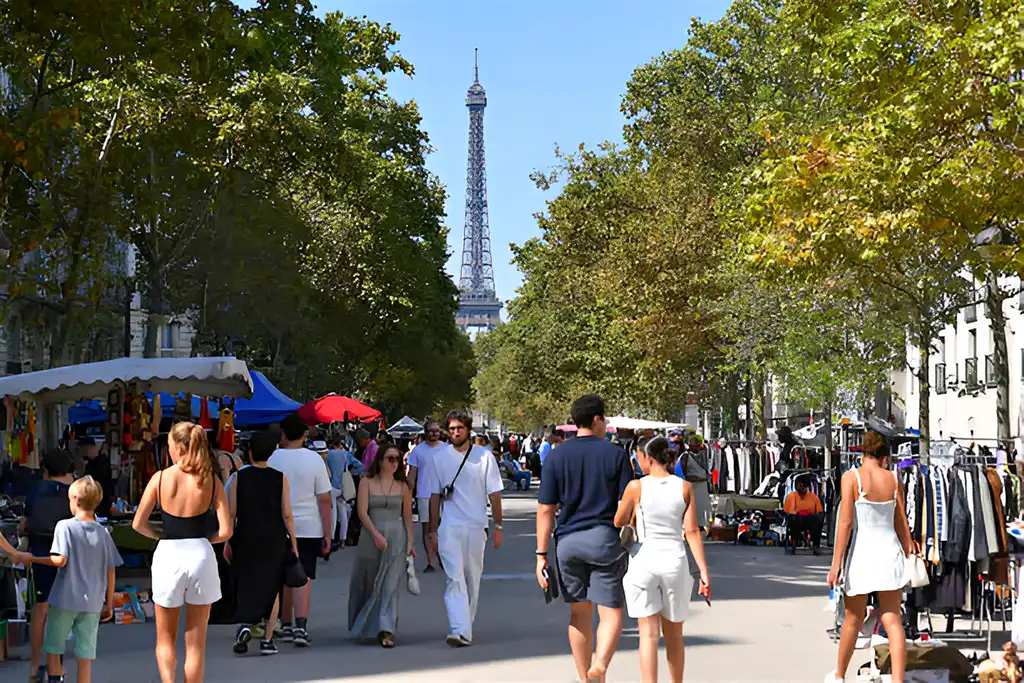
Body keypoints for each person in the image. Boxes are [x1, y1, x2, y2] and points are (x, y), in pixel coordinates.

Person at [536, 394, 633, 683]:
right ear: (596, 419)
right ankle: (599, 667)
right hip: (604, 539)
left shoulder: (556, 456)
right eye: (605, 419)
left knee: (578, 614)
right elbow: (626, 504)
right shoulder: (616, 455)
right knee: (610, 611)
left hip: (568, 542)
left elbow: (545, 509)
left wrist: (541, 555)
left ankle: (583, 676)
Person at [132, 422, 232, 683]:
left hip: (169, 554)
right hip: (200, 553)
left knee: (165, 638)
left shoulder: (160, 478)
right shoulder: (211, 480)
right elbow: (226, 531)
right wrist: (206, 539)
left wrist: (159, 536)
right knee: (196, 642)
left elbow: (138, 524)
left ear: (177, 447)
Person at [614, 436, 711, 683]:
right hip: (674, 561)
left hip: (644, 560)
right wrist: (703, 571)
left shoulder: (636, 487)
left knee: (648, 636)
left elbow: (618, 521)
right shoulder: (684, 487)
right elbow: (691, 531)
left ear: (647, 458)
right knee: (674, 634)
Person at [826, 431, 912, 683]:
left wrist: (836, 564)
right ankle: (898, 680)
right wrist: (908, 550)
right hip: (889, 551)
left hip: (863, 553)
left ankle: (839, 675)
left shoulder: (851, 478)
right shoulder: (893, 479)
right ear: (884, 455)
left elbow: (845, 523)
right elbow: (900, 521)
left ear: (862, 452)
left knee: (852, 618)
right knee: (893, 619)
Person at [25, 476, 122, 683]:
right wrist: (109, 603)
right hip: (93, 602)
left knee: (54, 646)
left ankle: (55, 678)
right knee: (85, 652)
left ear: (75, 500)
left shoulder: (65, 527)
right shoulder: (103, 532)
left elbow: (59, 560)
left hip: (65, 599)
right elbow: (111, 569)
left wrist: (30, 558)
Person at [427, 408, 504, 647]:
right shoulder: (439, 458)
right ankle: (459, 629)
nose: (455, 432)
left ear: (468, 430)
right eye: (451, 429)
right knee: (454, 577)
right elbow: (434, 496)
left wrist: (499, 526)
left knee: (472, 579)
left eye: (459, 428)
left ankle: (465, 626)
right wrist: (432, 530)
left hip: (476, 525)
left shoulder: (484, 456)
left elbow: (494, 493)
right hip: (450, 526)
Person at [226, 429, 297, 656]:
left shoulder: (238, 477)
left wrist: (227, 540)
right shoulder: (280, 478)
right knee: (272, 587)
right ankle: (267, 639)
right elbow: (287, 514)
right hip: (274, 537)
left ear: (249, 452)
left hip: (246, 535)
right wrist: (294, 542)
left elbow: (231, 513)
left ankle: (245, 623)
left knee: (246, 581)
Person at [267, 413, 332, 647]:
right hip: (309, 526)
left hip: (278, 526)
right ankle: (301, 626)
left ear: (283, 434)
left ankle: (284, 623)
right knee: (304, 575)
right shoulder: (315, 460)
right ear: (304, 435)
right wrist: (328, 532)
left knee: (284, 577)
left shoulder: (272, 458)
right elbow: (324, 499)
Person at [348, 443, 415, 647]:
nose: (395, 463)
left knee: (390, 585)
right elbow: (362, 512)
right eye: (390, 459)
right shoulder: (366, 482)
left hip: (396, 538)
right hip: (371, 538)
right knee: (368, 582)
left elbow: (407, 517)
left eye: (398, 459)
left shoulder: (403, 486)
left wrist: (410, 543)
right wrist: (376, 535)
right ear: (380, 461)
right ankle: (367, 624)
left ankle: (386, 629)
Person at [21, 448, 75, 682]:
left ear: (46, 469)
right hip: (67, 553)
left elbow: (25, 522)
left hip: (40, 552)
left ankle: (34, 666)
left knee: (40, 610)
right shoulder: (73, 491)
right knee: (61, 610)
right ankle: (56, 666)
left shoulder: (35, 490)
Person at [407, 420, 445, 572]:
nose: (434, 433)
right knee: (427, 528)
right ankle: (431, 561)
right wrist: (407, 493)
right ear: (425, 432)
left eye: (437, 431)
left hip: (443, 494)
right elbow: (412, 474)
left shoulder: (447, 449)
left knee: (443, 528)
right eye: (431, 431)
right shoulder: (418, 451)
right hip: (424, 493)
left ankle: (443, 557)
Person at [325, 435, 363, 549]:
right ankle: (343, 539)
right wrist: (351, 472)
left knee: (333, 514)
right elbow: (360, 466)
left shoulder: (328, 454)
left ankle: (331, 538)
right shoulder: (346, 454)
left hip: (331, 486)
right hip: (344, 486)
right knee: (343, 514)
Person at [674, 434, 712, 533]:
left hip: (702, 488)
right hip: (693, 487)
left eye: (699, 445)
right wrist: (696, 479)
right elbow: (683, 474)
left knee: (702, 509)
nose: (698, 447)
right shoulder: (685, 457)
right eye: (696, 445)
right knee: (693, 508)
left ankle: (701, 526)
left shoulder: (702, 456)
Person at [784, 476, 824, 555]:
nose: (800, 487)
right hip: (796, 518)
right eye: (798, 485)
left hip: (809, 519)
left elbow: (819, 511)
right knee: (793, 519)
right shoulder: (790, 496)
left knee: (816, 520)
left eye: (802, 485)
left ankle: (816, 545)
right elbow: (787, 511)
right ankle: (794, 542)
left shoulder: (813, 497)